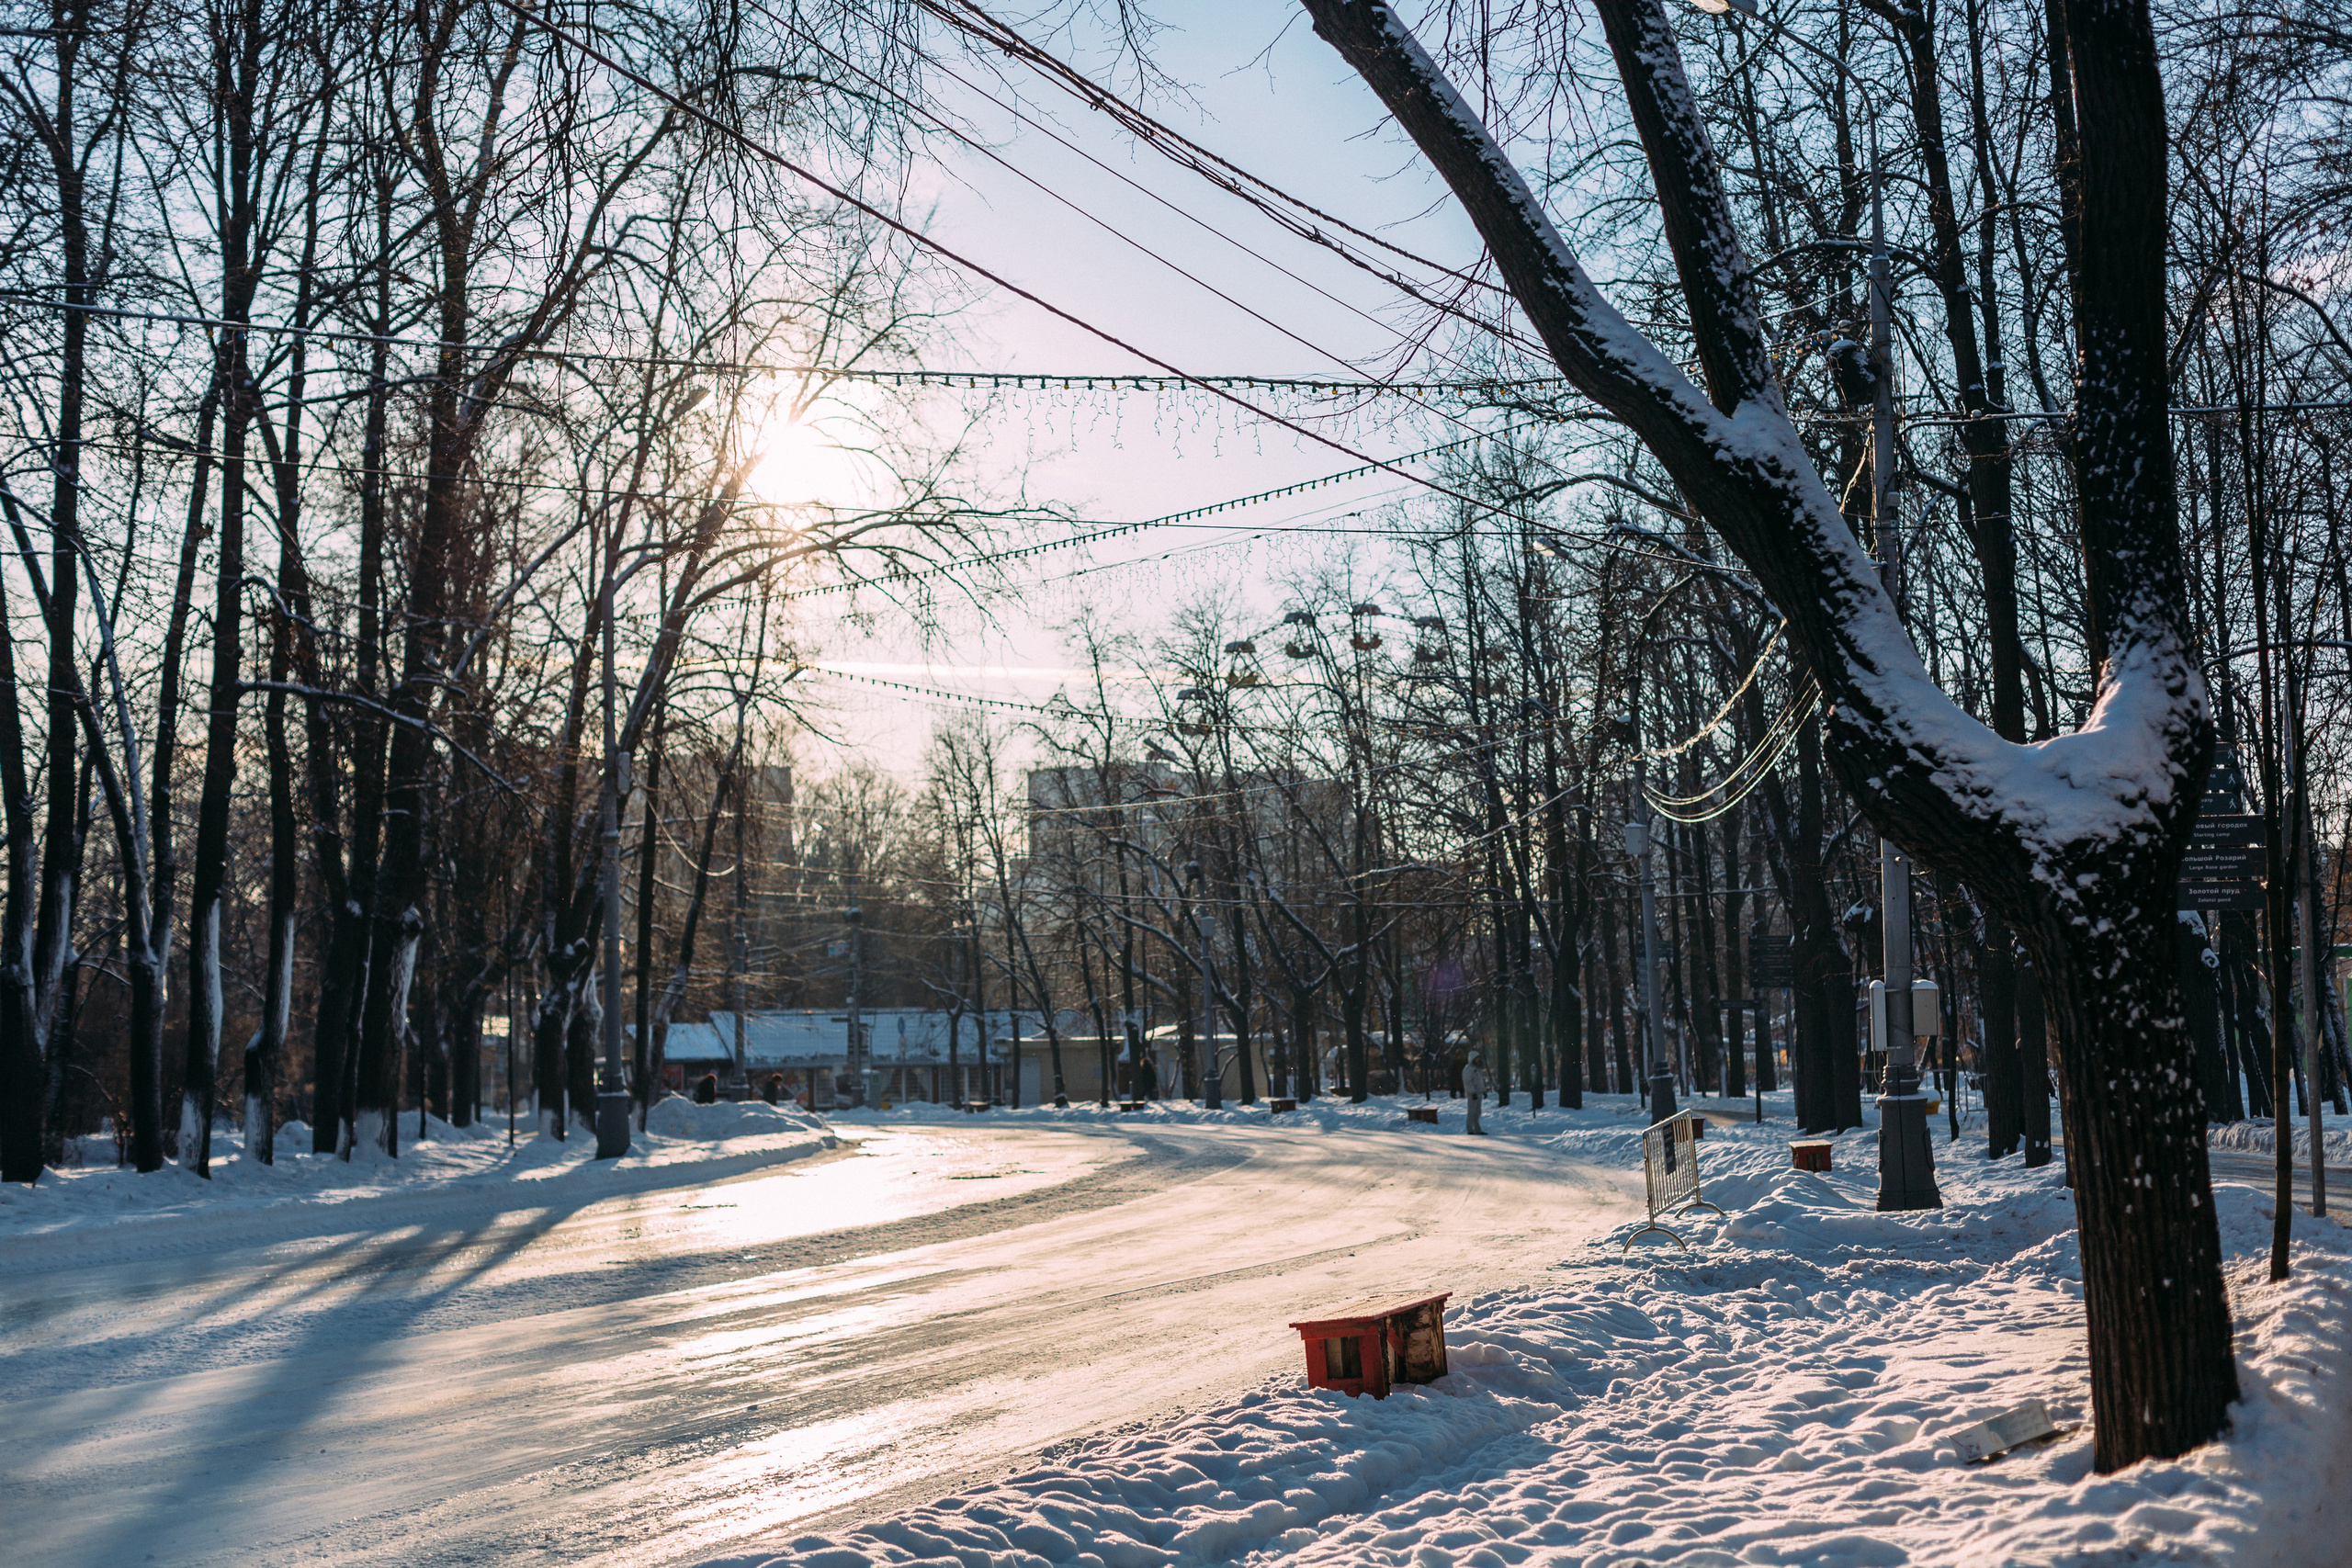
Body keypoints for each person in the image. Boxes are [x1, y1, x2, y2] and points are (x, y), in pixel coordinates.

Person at [1462, 1055, 1487, 1134]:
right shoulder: (1468, 1069)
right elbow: (1467, 1082)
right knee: (1471, 1112)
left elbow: (1480, 1082)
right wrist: (1472, 1092)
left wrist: (1484, 1091)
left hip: (1478, 1093)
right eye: (1476, 1058)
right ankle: (1470, 1129)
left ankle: (1477, 1129)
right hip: (1473, 1094)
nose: (1478, 1060)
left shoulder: (1477, 1069)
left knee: (1478, 1112)